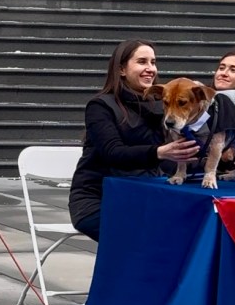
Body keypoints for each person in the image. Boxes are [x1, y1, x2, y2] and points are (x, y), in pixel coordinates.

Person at [68, 39, 199, 243]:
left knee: (194, 227)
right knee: (152, 237)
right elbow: (112, 153)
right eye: (142, 62)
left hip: (145, 196)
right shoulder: (101, 106)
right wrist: (159, 152)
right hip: (99, 200)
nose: (150, 69)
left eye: (153, 62)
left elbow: (176, 158)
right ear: (121, 69)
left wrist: (225, 162)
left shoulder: (162, 105)